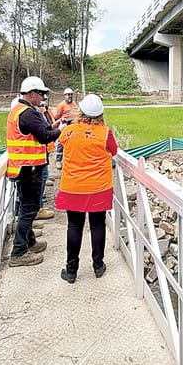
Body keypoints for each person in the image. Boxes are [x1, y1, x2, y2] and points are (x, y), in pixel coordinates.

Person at [55, 93, 118, 283]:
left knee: (74, 226)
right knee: (97, 225)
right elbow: (113, 151)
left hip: (73, 187)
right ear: (100, 114)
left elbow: (61, 143)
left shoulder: (69, 131)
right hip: (99, 187)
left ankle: (71, 270)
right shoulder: (105, 132)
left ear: (80, 110)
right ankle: (98, 266)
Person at [5, 76, 63, 267]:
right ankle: (19, 252)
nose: (43, 97)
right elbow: (45, 137)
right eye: (41, 93)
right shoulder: (29, 113)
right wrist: (60, 130)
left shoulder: (18, 110)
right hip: (29, 169)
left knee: (26, 208)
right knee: (30, 209)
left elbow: (36, 132)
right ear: (32, 94)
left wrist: (51, 126)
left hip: (21, 168)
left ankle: (30, 242)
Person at [54, 87, 79, 167]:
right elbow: (56, 117)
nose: (70, 96)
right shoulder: (62, 105)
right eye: (68, 95)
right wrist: (62, 120)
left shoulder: (74, 104)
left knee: (74, 142)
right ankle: (58, 160)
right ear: (65, 95)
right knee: (61, 142)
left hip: (74, 126)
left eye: (71, 94)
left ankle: (72, 160)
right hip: (65, 125)